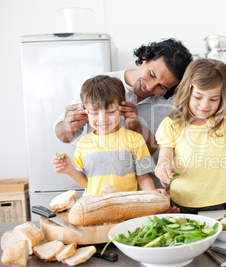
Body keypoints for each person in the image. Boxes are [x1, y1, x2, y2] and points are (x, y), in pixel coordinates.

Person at [54, 38, 192, 189]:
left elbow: (160, 157)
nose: (150, 86)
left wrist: (138, 128)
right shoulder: (97, 86)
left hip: (150, 191)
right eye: (152, 74)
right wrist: (68, 125)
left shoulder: (171, 105)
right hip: (102, 191)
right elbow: (63, 136)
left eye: (162, 86)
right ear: (145, 57)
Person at [154, 58, 226, 214]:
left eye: (214, 99)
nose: (205, 105)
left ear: (222, 97)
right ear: (187, 92)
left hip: (217, 202)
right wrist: (163, 168)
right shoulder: (171, 124)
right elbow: (164, 159)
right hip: (180, 202)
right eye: (198, 97)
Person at [52, 75, 161, 196]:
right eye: (94, 112)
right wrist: (69, 170)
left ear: (121, 108)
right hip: (96, 207)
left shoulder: (135, 139)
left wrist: (153, 195)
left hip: (128, 206)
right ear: (85, 112)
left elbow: (143, 178)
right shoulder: (83, 144)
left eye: (110, 112)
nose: (102, 119)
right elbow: (88, 183)